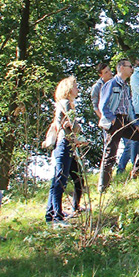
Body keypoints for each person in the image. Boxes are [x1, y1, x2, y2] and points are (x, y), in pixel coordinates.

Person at [98, 58, 139, 191]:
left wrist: (134, 124)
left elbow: (128, 108)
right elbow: (103, 106)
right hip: (114, 122)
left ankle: (137, 172)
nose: (132, 69)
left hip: (125, 121)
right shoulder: (111, 84)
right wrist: (112, 120)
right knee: (110, 154)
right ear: (122, 68)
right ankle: (103, 188)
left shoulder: (126, 86)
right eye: (130, 66)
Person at [47, 76, 84, 224]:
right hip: (65, 145)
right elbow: (72, 125)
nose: (77, 89)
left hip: (67, 145)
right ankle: (57, 217)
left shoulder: (63, 104)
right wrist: (76, 130)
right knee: (60, 180)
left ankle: (51, 214)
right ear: (68, 89)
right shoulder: (66, 103)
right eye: (75, 86)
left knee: (73, 177)